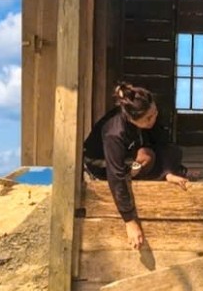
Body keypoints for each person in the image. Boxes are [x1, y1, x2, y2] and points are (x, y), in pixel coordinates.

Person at [83, 82, 194, 250]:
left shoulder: (149, 114)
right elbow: (116, 175)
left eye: (154, 113)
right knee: (144, 163)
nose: (153, 119)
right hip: (103, 163)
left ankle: (164, 172)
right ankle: (153, 171)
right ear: (131, 118)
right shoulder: (114, 132)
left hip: (130, 151)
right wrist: (129, 221)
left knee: (173, 151)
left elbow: (162, 142)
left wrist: (168, 171)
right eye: (148, 118)